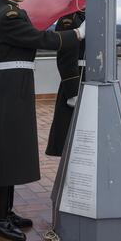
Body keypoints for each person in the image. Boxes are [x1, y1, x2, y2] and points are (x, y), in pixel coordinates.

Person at [0, 0, 85, 241]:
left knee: (11, 149)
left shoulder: (9, 12)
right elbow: (40, 39)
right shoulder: (8, 14)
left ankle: (7, 211)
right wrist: (78, 34)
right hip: (10, 88)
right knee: (4, 151)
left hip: (17, 84)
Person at [46, 9, 86, 157]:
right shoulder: (68, 19)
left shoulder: (94, 14)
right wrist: (72, 90)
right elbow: (66, 56)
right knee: (69, 131)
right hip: (77, 76)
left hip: (92, 76)